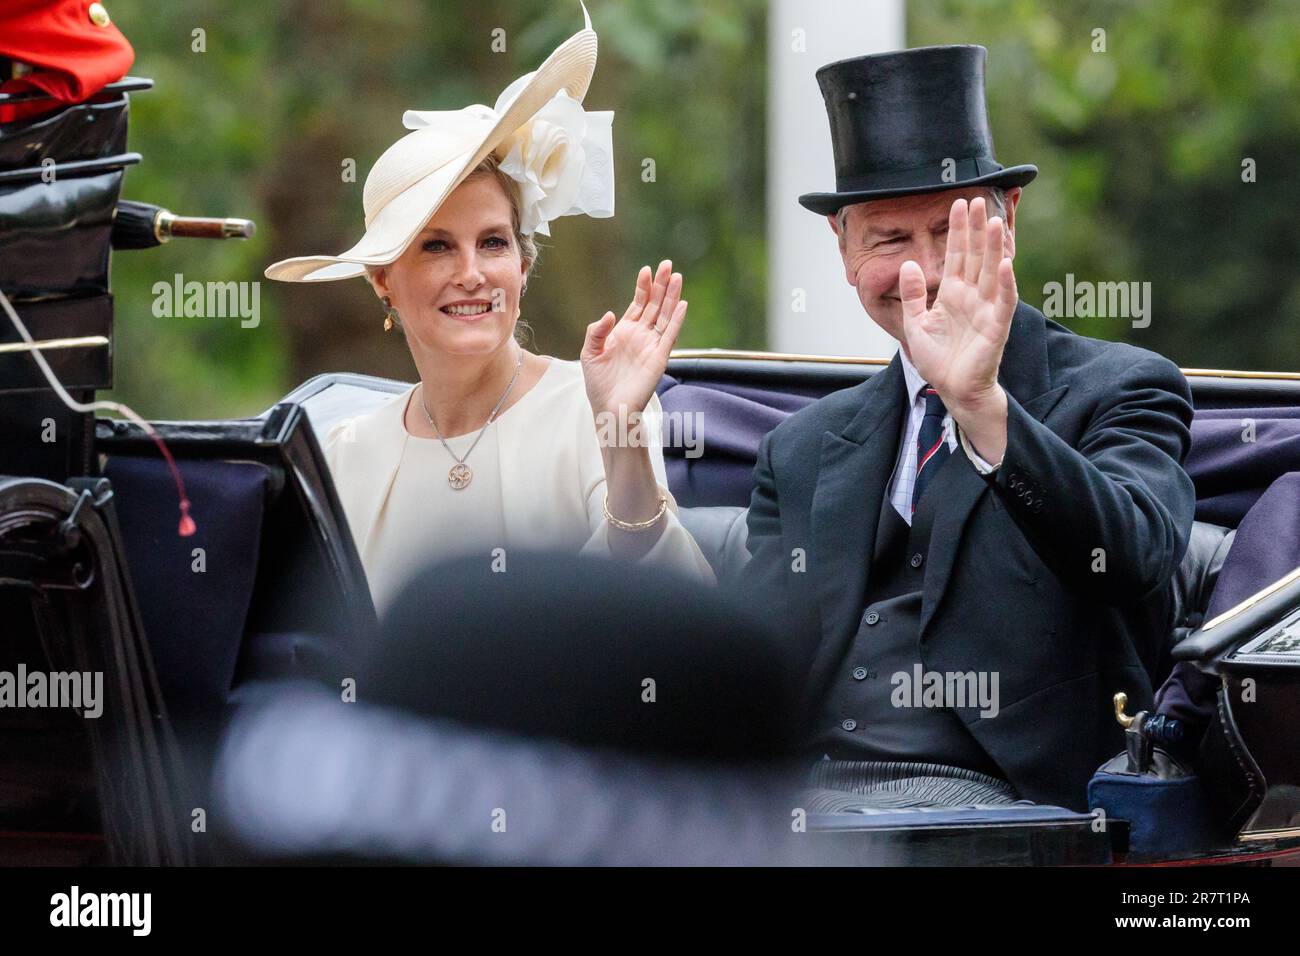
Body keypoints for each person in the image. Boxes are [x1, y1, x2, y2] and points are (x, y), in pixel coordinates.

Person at [742, 45, 1197, 811]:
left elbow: (1135, 558)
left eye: (950, 232)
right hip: (798, 805)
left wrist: (983, 406)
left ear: (1006, 222)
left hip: (1001, 805)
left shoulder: (1124, 387)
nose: (925, 271)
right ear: (845, 249)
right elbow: (751, 669)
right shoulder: (800, 449)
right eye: (889, 240)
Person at [265, 10, 713, 612]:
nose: (472, 273)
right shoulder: (348, 453)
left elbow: (668, 610)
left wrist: (623, 432)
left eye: (494, 243)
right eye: (437, 246)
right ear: (383, 281)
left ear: (523, 267)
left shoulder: (590, 412)